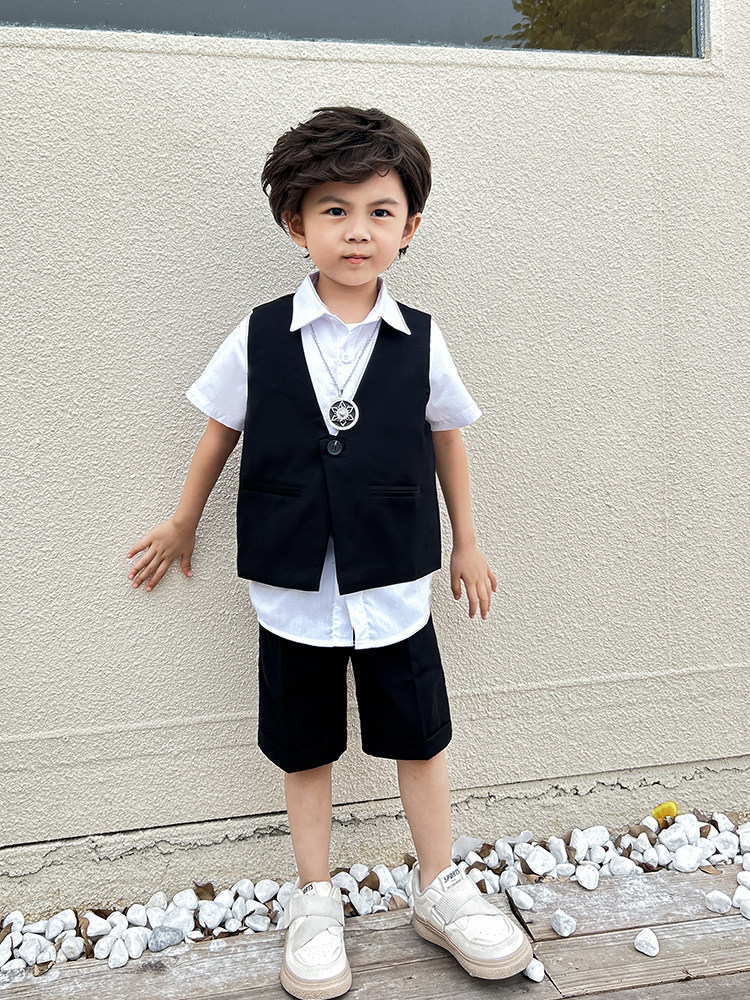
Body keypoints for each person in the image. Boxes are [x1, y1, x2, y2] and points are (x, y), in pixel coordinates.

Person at [126, 106, 532, 999]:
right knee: (303, 747)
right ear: (295, 223)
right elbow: (220, 428)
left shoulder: (421, 338)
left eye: (380, 211)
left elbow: (448, 437)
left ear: (410, 226)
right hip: (294, 588)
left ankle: (439, 886)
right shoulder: (260, 333)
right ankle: (316, 898)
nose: (357, 231)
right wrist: (184, 521)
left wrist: (467, 542)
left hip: (395, 583)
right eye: (334, 210)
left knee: (421, 738)